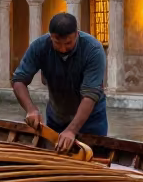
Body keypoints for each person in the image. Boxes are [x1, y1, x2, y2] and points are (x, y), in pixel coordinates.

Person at [11, 12, 107, 153]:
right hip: (57, 117)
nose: (63, 48)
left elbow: (90, 95)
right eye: (57, 43)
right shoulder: (40, 46)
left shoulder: (93, 50)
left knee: (92, 162)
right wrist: (31, 109)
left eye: (68, 43)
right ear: (51, 37)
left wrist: (71, 130)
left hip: (91, 121)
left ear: (77, 35)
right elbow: (18, 80)